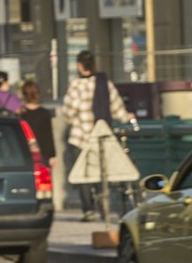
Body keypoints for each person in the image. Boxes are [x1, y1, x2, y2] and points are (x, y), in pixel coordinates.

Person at [62, 50, 136, 221]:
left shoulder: (75, 85)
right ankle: (104, 204)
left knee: (83, 174)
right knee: (102, 172)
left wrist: (76, 117)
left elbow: (68, 112)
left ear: (80, 66)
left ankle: (88, 210)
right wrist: (127, 117)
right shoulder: (105, 83)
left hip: (80, 136)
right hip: (101, 136)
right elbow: (117, 109)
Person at [19, 80, 57, 168]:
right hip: (43, 155)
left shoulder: (21, 114)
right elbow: (48, 136)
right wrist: (52, 155)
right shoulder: (44, 113)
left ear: (24, 95)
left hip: (25, 154)